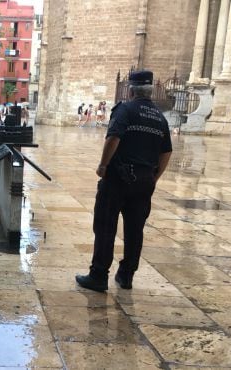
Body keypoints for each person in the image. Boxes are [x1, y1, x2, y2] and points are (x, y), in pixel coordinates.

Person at [75, 70, 173, 292]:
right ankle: (126, 276)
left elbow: (114, 137)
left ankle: (98, 275)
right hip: (145, 181)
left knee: (105, 225)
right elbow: (166, 152)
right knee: (135, 230)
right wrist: (154, 177)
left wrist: (103, 165)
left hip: (118, 178)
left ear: (131, 90)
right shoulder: (160, 117)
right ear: (150, 91)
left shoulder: (125, 109)